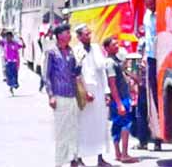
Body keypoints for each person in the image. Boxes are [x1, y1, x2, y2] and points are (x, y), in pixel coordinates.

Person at [44, 23, 89, 167]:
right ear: (59, 36)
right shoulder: (51, 53)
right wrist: (51, 95)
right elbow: (46, 75)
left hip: (72, 96)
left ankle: (73, 160)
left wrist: (80, 63)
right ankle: (59, 162)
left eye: (69, 33)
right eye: (67, 33)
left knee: (74, 130)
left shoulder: (71, 52)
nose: (69, 35)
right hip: (60, 96)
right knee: (62, 132)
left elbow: (74, 73)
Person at [73, 25, 112, 167]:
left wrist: (107, 92)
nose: (88, 36)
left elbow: (102, 72)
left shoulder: (96, 48)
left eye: (89, 34)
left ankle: (100, 158)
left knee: (100, 125)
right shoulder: (76, 51)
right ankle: (79, 158)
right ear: (79, 37)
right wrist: (84, 92)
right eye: (85, 34)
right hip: (85, 93)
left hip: (99, 91)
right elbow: (76, 75)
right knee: (83, 126)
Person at [104, 37, 138, 164]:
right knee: (125, 124)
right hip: (120, 99)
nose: (117, 46)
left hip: (121, 98)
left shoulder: (116, 61)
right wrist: (119, 104)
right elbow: (112, 84)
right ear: (107, 48)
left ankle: (118, 153)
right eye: (113, 44)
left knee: (117, 125)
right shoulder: (110, 63)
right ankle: (124, 154)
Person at [142, 0, 162, 151]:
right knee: (153, 98)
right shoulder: (147, 16)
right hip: (151, 57)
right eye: (148, 5)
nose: (151, 8)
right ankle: (156, 136)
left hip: (162, 56)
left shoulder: (162, 13)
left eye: (152, 4)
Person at [0, 31, 25, 95]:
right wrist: (0, 32)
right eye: (6, 37)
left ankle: (13, 86)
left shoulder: (15, 44)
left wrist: (22, 40)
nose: (8, 38)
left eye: (9, 36)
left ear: (12, 37)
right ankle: (11, 87)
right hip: (8, 62)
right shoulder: (4, 43)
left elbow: (23, 46)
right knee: (9, 76)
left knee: (15, 76)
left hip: (15, 62)